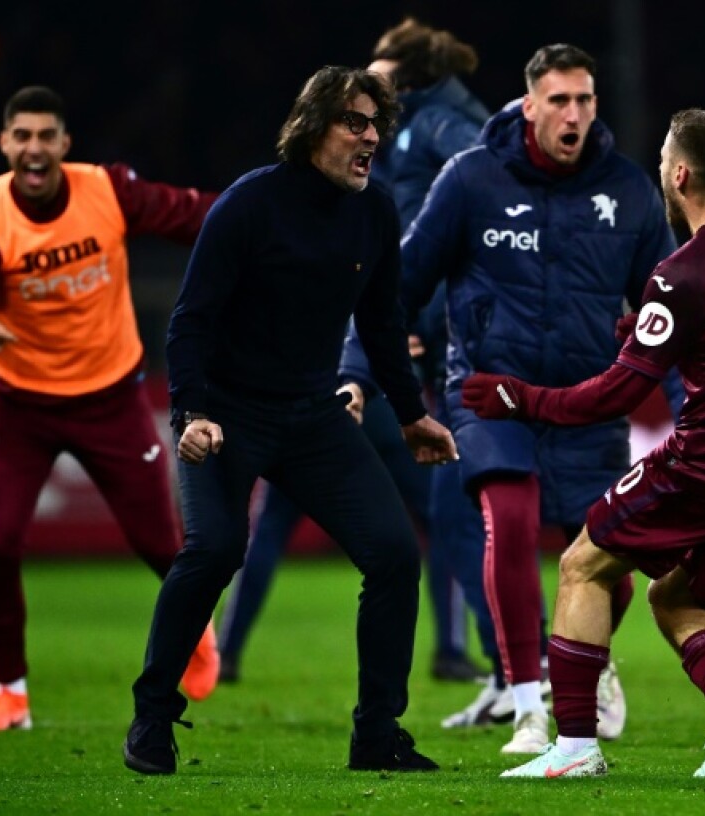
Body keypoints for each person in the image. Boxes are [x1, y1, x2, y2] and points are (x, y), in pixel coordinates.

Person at [122, 66, 458, 777]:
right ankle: (152, 716)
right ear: (313, 128)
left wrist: (411, 415)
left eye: (376, 125)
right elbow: (189, 322)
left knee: (396, 557)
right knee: (214, 552)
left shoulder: (377, 210)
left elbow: (383, 323)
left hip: (311, 414)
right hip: (227, 413)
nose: (371, 137)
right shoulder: (249, 205)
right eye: (355, 123)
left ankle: (376, 736)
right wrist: (191, 413)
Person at [467, 108, 705, 779]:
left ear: (681, 173)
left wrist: (520, 398)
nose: (659, 166)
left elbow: (610, 398)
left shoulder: (685, 269)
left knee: (583, 565)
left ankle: (573, 748)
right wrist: (660, 330)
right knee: (674, 595)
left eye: (663, 157)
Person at [0, 85, 220, 734]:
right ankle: (11, 697)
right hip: (20, 409)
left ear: (65, 144)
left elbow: (197, 215)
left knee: (163, 546)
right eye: (22, 136)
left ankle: (199, 633)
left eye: (47, 136)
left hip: (112, 400)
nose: (35, 149)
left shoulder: (107, 189)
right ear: (4, 144)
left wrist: (271, 213)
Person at [398, 43, 682, 754]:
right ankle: (528, 705)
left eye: (585, 100)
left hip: (589, 403)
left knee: (604, 565)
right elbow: (404, 278)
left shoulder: (630, 192)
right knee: (511, 522)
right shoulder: (471, 179)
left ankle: (589, 661)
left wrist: (692, 408)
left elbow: (671, 311)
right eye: (559, 100)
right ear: (529, 105)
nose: (574, 114)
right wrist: (373, 355)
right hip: (490, 391)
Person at [218, 16, 494, 687]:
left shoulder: (439, 134)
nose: (371, 80)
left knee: (288, 520)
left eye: (382, 67)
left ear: (411, 73)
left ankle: (226, 651)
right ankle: (465, 654)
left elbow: (455, 232)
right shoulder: (394, 148)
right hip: (351, 371)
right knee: (436, 515)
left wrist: (415, 318)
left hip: (363, 361)